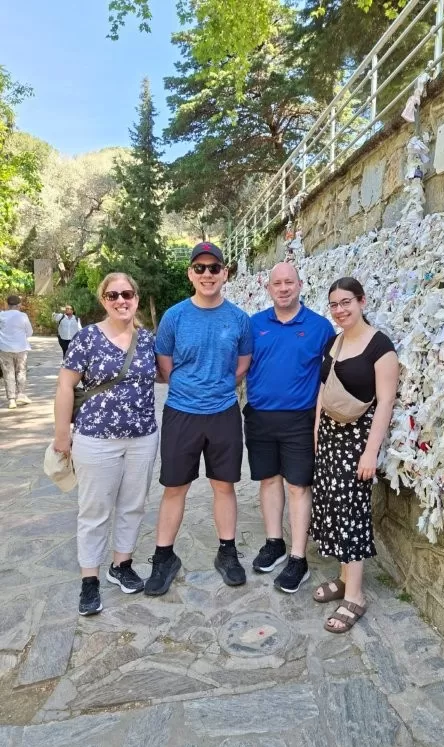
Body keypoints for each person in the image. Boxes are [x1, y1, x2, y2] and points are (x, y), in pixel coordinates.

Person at [144, 242, 252, 596]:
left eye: (214, 268)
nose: (207, 274)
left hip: (223, 413)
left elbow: (243, 363)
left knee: (224, 485)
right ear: (190, 273)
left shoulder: (238, 319)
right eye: (200, 268)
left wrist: (219, 386)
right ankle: (164, 557)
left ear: (225, 273)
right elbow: (165, 365)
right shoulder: (174, 317)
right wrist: (191, 388)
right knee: (175, 487)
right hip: (182, 412)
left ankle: (227, 553)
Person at [53, 273, 159, 616]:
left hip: (142, 437)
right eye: (113, 295)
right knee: (94, 510)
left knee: (133, 505)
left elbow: (165, 374)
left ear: (136, 298)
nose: (120, 300)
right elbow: (65, 386)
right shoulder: (86, 338)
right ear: (103, 300)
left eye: (126, 294)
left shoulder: (148, 340)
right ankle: (90, 580)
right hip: (96, 439)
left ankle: (121, 565)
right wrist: (61, 434)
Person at [311, 277, 399, 633]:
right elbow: (323, 391)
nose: (340, 310)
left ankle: (356, 596)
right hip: (330, 437)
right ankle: (345, 578)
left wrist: (370, 453)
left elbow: (386, 403)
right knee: (333, 507)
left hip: (357, 441)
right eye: (334, 304)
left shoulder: (380, 347)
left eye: (346, 302)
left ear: (361, 301)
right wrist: (316, 432)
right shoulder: (334, 342)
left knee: (352, 512)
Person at [245, 262, 334, 593]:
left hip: (300, 419)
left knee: (298, 486)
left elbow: (332, 375)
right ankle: (275, 543)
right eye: (277, 283)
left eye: (289, 282)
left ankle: (298, 558)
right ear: (268, 288)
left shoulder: (320, 327)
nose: (283, 288)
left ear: (300, 285)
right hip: (259, 416)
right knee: (268, 481)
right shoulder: (254, 325)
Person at [0, 295, 33, 409]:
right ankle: (21, 395)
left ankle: (11, 400)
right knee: (21, 371)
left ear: (7, 304)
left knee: (8, 373)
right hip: (21, 348)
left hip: (4, 348)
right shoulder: (23, 316)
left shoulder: (1, 315)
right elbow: (29, 332)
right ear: (19, 305)